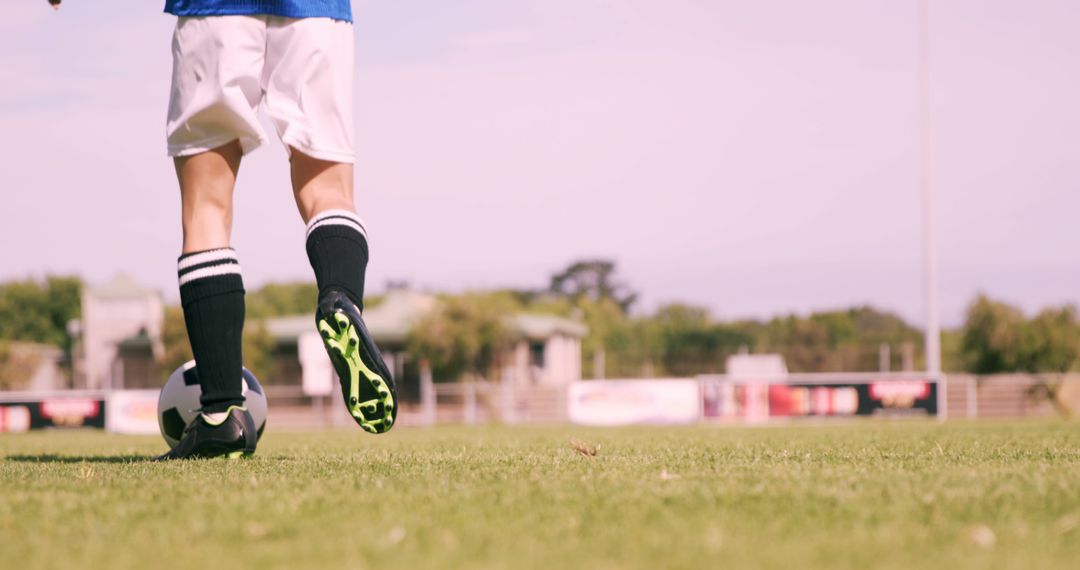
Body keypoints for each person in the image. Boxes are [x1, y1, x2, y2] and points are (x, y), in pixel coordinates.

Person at [149, 0, 397, 459]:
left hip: (215, 10)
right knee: (329, 191)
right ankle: (340, 298)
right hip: (317, 12)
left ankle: (222, 415)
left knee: (207, 208)